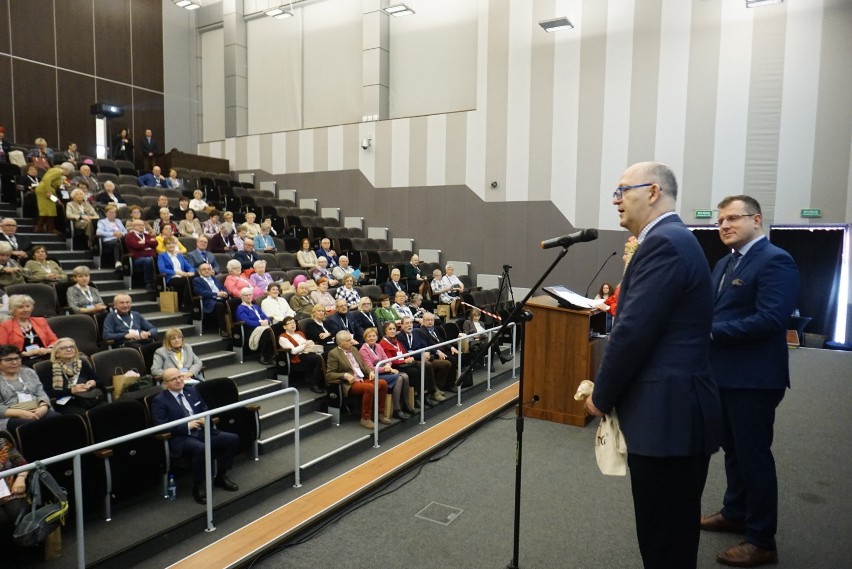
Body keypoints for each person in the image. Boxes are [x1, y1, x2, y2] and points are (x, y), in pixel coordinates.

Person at [584, 161, 722, 569]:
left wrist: (601, 396)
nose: (615, 200)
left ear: (654, 191)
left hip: (669, 417)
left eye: (622, 190)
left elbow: (631, 333)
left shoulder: (663, 242)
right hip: (674, 412)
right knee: (670, 533)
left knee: (665, 538)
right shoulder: (674, 239)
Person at [699, 195, 800, 568]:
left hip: (754, 379)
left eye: (732, 219)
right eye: (720, 220)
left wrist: (710, 333)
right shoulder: (724, 262)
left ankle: (762, 540)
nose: (724, 225)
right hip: (722, 376)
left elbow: (772, 320)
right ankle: (735, 511)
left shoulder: (776, 261)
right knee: (733, 452)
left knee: (754, 456)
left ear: (756, 220)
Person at [150, 367, 240, 505]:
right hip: (181, 437)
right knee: (201, 448)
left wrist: (205, 420)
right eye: (174, 379)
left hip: (202, 430)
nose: (179, 380)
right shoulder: (159, 400)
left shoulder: (192, 390)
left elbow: (205, 409)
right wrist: (187, 426)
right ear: (165, 383)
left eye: (180, 376)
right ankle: (199, 484)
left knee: (232, 439)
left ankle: (221, 476)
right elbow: (161, 426)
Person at [325, 330, 390, 430]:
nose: (351, 342)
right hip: (349, 383)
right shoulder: (334, 354)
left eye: (351, 339)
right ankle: (365, 418)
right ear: (341, 343)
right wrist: (345, 375)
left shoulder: (354, 349)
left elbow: (363, 365)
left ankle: (379, 413)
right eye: (348, 340)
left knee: (383, 383)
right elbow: (329, 374)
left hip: (361, 378)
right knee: (369, 388)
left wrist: (370, 372)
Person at [0, 344, 58, 432]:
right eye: (8, 360)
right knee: (32, 426)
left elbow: (41, 393)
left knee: (58, 419)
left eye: (17, 358)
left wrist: (43, 407)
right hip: (10, 416)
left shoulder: (28, 372)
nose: (15, 362)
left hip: (37, 409)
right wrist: (20, 413)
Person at [0, 431, 37, 567]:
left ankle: (24, 560)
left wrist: (20, 479)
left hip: (9, 489)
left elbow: (23, 464)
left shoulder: (2, 443)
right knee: (2, 520)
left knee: (18, 513)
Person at [359, 326, 413, 420]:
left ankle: (405, 403)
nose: (372, 338)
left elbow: (387, 359)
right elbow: (370, 367)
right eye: (369, 336)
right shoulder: (363, 350)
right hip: (374, 374)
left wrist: (388, 365)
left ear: (377, 337)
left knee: (405, 376)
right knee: (399, 378)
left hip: (384, 370)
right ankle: (397, 409)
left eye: (374, 336)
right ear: (365, 338)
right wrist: (388, 369)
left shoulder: (378, 346)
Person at [379, 320, 433, 407]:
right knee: (415, 371)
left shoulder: (396, 341)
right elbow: (390, 360)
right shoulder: (383, 344)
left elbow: (404, 353)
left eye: (394, 329)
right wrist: (404, 361)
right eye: (390, 329)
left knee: (423, 366)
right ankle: (415, 397)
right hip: (396, 366)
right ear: (385, 331)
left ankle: (424, 394)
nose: (392, 331)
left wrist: (409, 358)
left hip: (404, 363)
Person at [47, 338, 105, 415]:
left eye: (71, 347)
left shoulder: (82, 363)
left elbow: (99, 381)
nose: (69, 349)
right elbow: (48, 393)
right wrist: (72, 390)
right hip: (67, 403)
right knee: (82, 415)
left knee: (106, 410)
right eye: (64, 348)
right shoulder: (48, 368)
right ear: (56, 353)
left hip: (87, 398)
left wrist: (93, 383)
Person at [0, 295, 58, 365]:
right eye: (21, 307)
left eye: (28, 306)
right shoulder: (6, 326)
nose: (25, 310)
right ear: (13, 310)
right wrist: (25, 353)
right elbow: (3, 348)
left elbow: (54, 340)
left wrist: (48, 349)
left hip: (45, 355)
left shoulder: (41, 321)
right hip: (20, 360)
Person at [277, 316, 325, 394]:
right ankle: (314, 384)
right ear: (284, 327)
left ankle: (323, 381)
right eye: (289, 323)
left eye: (293, 323)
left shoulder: (299, 333)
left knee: (325, 354)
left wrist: (310, 343)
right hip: (298, 357)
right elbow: (293, 351)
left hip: (308, 352)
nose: (293, 325)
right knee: (318, 358)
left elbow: (307, 343)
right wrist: (304, 345)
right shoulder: (283, 337)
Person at [412, 312, 456, 393]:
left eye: (432, 320)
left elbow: (442, 341)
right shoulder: (420, 331)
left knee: (456, 355)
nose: (430, 322)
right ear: (423, 321)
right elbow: (427, 345)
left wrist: (451, 347)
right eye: (428, 320)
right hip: (432, 353)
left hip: (441, 350)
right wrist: (437, 352)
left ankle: (447, 384)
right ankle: (444, 386)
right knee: (451, 360)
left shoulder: (434, 329)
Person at [235, 287, 276, 365]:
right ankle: (264, 355)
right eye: (246, 295)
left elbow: (265, 316)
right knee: (268, 331)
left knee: (275, 328)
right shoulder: (240, 308)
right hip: (251, 329)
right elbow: (246, 321)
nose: (248, 297)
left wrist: (267, 320)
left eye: (250, 295)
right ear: (242, 297)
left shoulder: (256, 306)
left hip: (262, 326)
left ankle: (273, 354)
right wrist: (260, 323)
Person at [34, 162, 72, 235]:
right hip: (45, 190)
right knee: (50, 209)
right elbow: (47, 179)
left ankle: (40, 227)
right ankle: (49, 228)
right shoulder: (58, 171)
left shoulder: (57, 172)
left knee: (48, 209)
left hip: (48, 190)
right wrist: (48, 191)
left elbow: (55, 182)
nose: (68, 174)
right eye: (69, 172)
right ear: (67, 169)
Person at [158, 238, 196, 310]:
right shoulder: (162, 256)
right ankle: (186, 304)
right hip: (171, 277)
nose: (171, 245)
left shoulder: (179, 255)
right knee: (187, 281)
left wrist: (190, 272)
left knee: (193, 279)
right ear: (165, 246)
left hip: (183, 276)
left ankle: (189, 303)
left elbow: (189, 267)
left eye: (172, 243)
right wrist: (177, 272)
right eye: (168, 244)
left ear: (176, 244)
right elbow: (162, 269)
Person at [192, 263, 229, 336]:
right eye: (204, 269)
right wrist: (216, 294)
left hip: (221, 298)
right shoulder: (197, 280)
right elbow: (201, 292)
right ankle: (223, 329)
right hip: (209, 301)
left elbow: (223, 288)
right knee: (220, 305)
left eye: (208, 269)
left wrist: (226, 293)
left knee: (235, 302)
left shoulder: (214, 278)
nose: (207, 271)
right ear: (199, 272)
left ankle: (234, 328)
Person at [124, 219, 158, 291]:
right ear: (133, 226)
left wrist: (144, 242)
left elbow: (155, 243)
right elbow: (136, 245)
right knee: (148, 260)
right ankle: (148, 283)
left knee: (161, 258)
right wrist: (148, 244)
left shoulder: (147, 235)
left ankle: (159, 282)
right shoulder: (129, 236)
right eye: (139, 225)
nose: (141, 227)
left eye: (142, 225)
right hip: (138, 258)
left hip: (152, 256)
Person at [96, 205, 127, 269]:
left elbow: (125, 231)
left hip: (120, 238)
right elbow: (99, 232)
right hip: (108, 240)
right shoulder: (102, 221)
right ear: (106, 213)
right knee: (117, 244)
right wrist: (112, 234)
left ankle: (126, 262)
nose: (111, 214)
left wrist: (121, 233)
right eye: (110, 212)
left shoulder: (118, 221)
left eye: (113, 212)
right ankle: (117, 262)